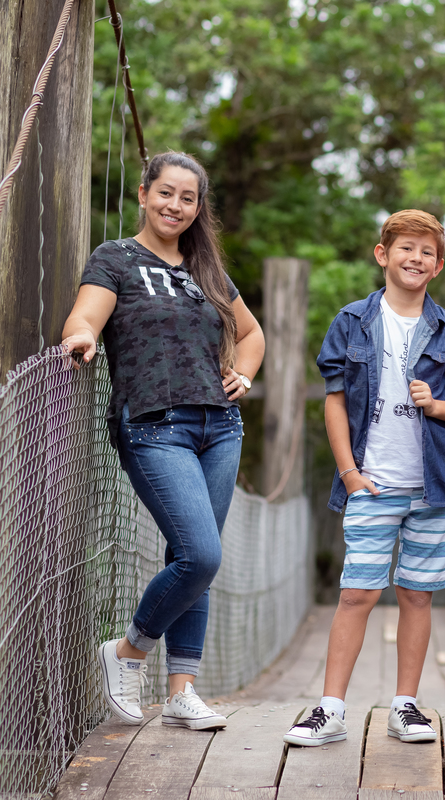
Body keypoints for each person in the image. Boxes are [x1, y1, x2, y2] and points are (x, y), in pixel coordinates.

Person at [61, 151, 265, 730]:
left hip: (220, 427)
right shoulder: (117, 258)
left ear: (198, 207)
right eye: (166, 193)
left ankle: (182, 691)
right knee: (202, 555)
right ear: (144, 194)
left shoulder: (207, 271)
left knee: (193, 561)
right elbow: (84, 317)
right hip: (154, 425)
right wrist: (81, 338)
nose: (176, 205)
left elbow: (251, 334)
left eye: (188, 198)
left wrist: (244, 374)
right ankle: (128, 651)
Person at [283, 210, 445, 747]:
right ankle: (330, 710)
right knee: (357, 594)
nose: (415, 258)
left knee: (417, 595)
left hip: (433, 488)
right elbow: (333, 401)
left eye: (426, 252)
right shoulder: (351, 321)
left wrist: (437, 405)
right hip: (372, 484)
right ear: (382, 254)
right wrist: (349, 474)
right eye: (405, 248)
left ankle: (405, 706)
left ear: (438, 266)